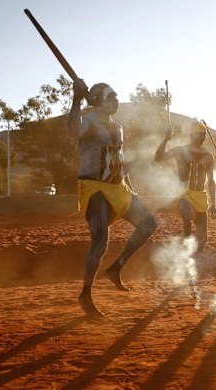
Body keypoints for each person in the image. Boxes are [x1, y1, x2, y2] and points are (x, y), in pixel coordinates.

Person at [68, 80, 157, 317]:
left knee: (149, 224)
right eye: (112, 97)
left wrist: (131, 186)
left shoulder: (117, 127)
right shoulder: (87, 122)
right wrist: (76, 98)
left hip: (119, 187)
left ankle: (116, 268)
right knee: (100, 243)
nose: (117, 100)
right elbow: (72, 132)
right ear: (98, 101)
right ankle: (85, 294)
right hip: (94, 187)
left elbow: (119, 158)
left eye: (117, 97)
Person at [155, 121, 216, 251]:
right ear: (191, 135)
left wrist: (213, 204)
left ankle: (194, 260)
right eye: (198, 134)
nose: (201, 137)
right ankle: (186, 234)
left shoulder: (208, 156)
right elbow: (159, 158)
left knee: (203, 239)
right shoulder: (180, 150)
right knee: (187, 215)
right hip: (183, 194)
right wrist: (166, 138)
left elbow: (211, 181)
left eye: (203, 134)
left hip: (200, 196)